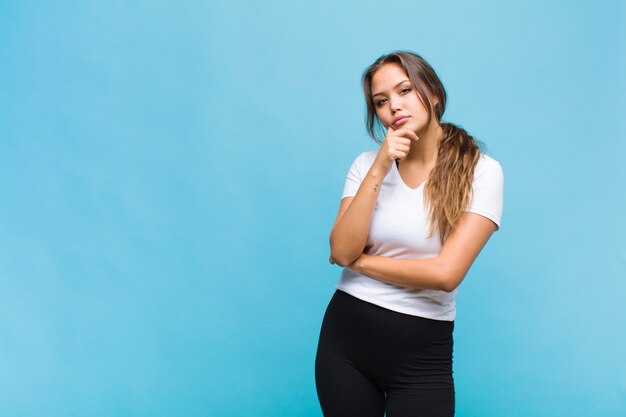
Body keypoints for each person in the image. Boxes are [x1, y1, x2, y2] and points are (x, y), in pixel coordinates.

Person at [314, 51, 504, 417]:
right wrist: (382, 165)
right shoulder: (366, 164)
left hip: (421, 356)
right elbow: (340, 247)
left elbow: (445, 275)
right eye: (381, 101)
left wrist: (360, 261)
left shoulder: (482, 171)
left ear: (432, 92)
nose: (394, 107)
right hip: (345, 346)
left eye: (405, 91)